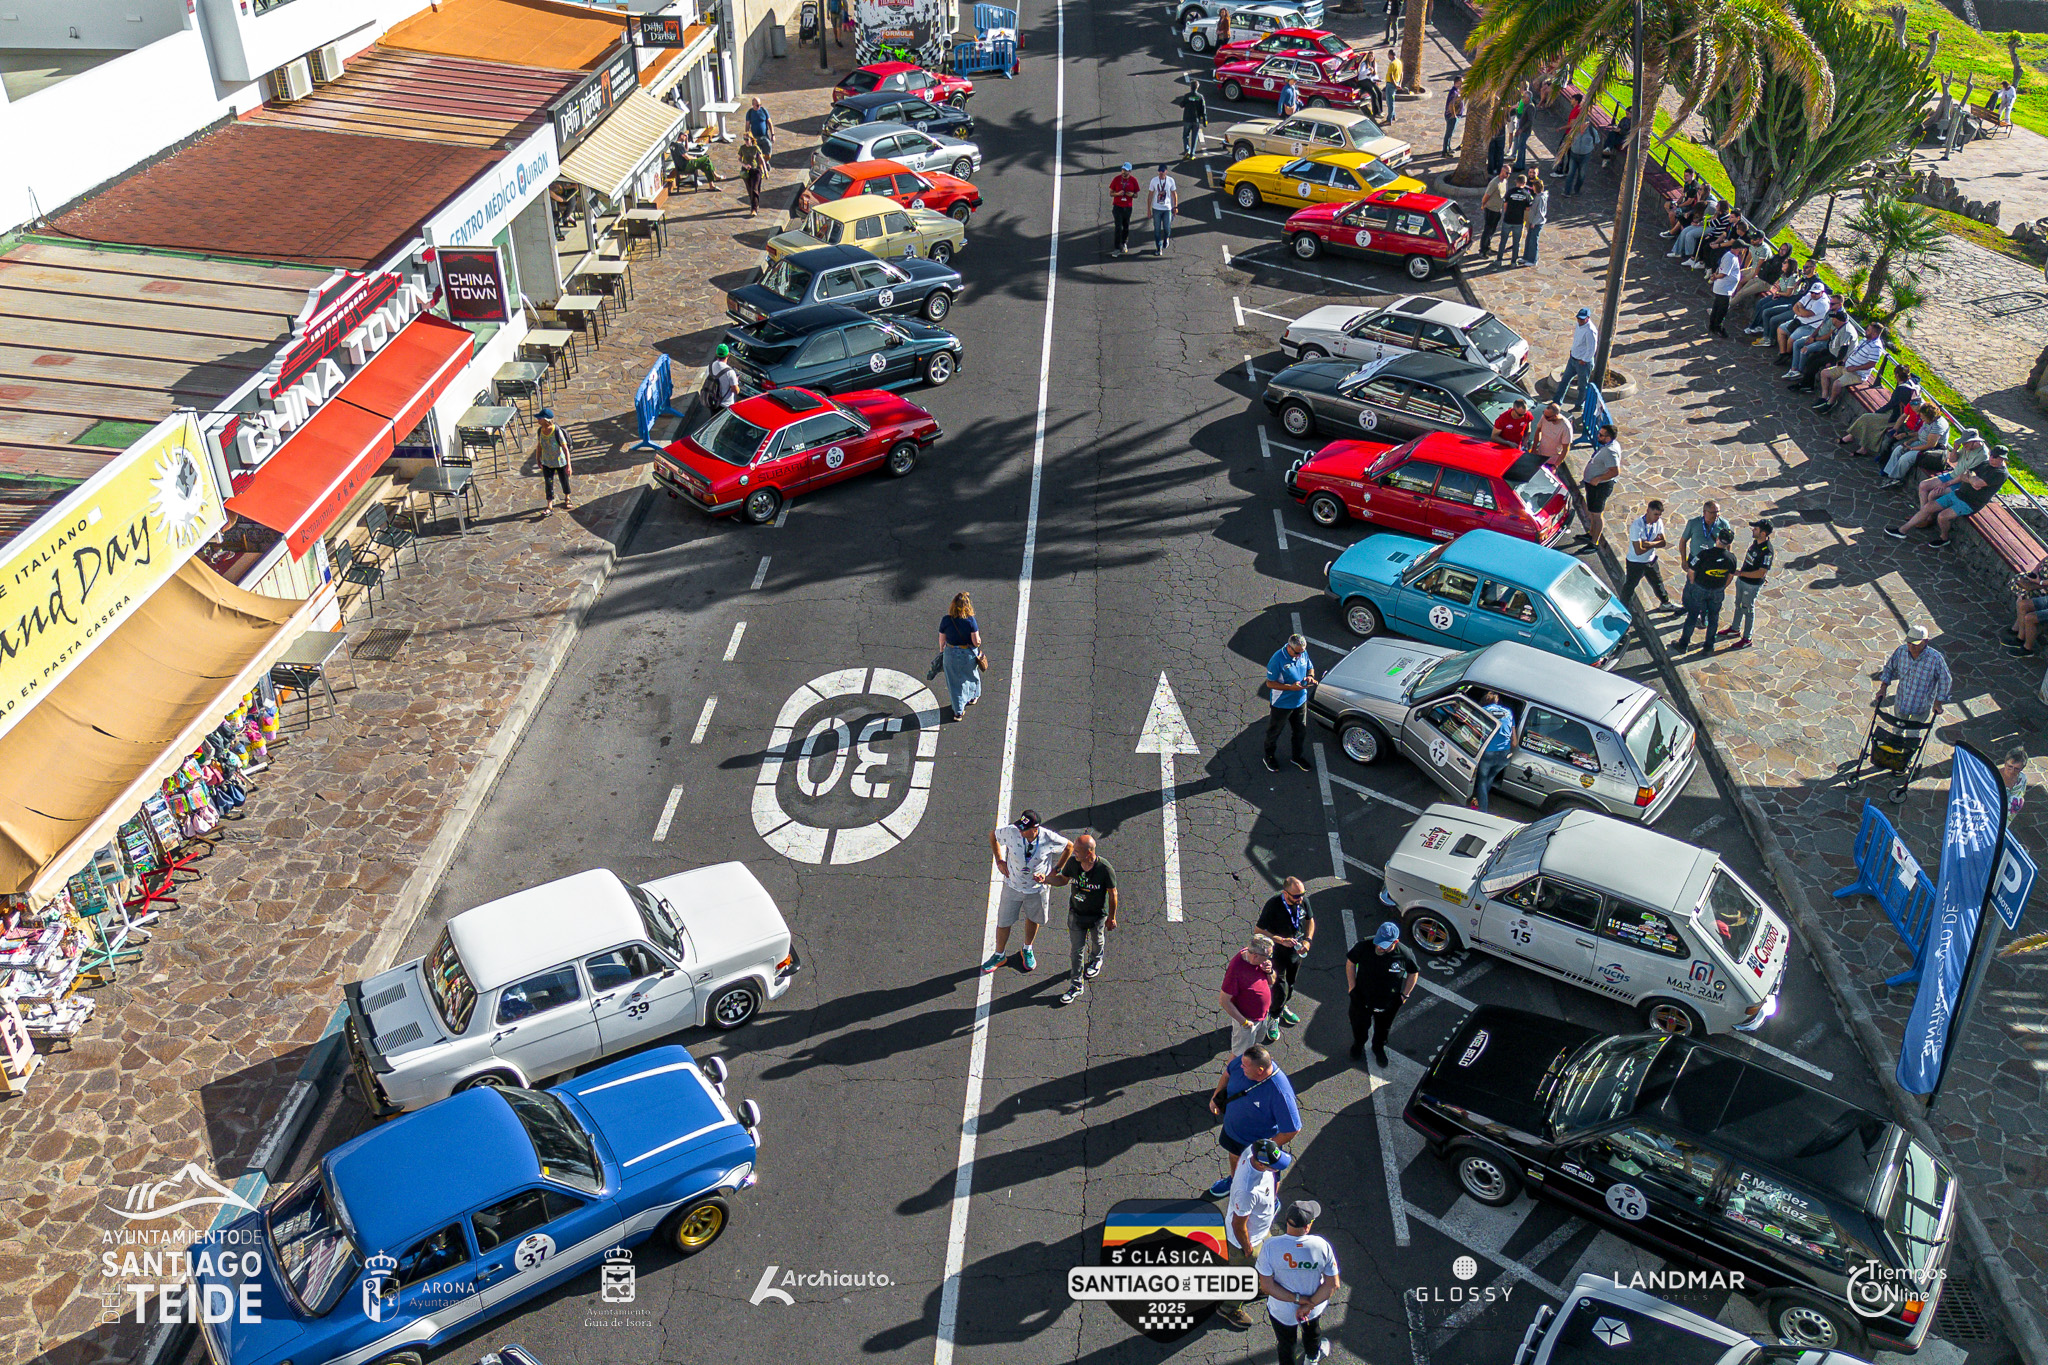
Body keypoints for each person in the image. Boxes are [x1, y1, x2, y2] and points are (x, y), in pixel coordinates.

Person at [982, 811, 1072, 974]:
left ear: (1035, 829)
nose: (1020, 831)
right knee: (1004, 921)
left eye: (1024, 829)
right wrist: (999, 860)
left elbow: (1069, 847)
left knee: (1033, 918)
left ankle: (1027, 948)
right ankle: (999, 955)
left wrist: (1056, 870)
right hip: (1012, 886)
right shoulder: (1012, 831)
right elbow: (993, 836)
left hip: (1037, 889)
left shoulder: (1048, 838)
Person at [1207, 1044, 1301, 1198]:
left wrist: (1264, 1150)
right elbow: (1227, 1074)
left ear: (1260, 1070)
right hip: (1233, 1132)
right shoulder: (1242, 1062)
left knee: (1268, 1174)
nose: (1240, 1066)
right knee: (1234, 1156)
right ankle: (1234, 1181)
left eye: (1245, 1066)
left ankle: (1271, 1200)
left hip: (1257, 1143)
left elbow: (1292, 1129)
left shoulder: (1280, 1093)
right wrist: (1215, 1097)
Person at [1216, 1138, 1291, 1330]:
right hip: (1246, 1241)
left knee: (1265, 1262)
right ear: (1261, 1164)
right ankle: (1229, 1308)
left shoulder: (1253, 1150)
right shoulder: (1247, 1190)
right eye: (1274, 1165)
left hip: (1261, 1232)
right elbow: (1238, 1224)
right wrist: (1247, 1248)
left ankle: (1259, 1286)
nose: (1277, 1169)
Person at [1259, 1201, 1340, 1365]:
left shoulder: (1270, 1246)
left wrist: (1297, 1299)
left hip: (1281, 1310)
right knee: (1312, 1333)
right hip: (1312, 1308)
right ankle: (1312, 1359)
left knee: (1286, 1343)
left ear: (1287, 1220)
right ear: (1307, 1226)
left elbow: (1267, 1286)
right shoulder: (1321, 1246)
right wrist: (1308, 1305)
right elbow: (1332, 1285)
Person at [1885, 446, 2009, 548]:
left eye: (1995, 457)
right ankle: (1902, 530)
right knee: (1928, 507)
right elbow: (1965, 474)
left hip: (1970, 503)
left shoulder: (2000, 474)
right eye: (1991, 455)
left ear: (2002, 459)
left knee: (1942, 516)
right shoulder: (1986, 463)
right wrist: (1969, 479)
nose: (1991, 458)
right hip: (1959, 493)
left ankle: (1944, 538)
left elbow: (1977, 483)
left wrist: (1970, 479)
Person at [1048, 834, 1117, 1004]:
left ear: (1089, 853)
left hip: (1097, 916)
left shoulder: (1104, 868)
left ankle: (1096, 959)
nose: (1074, 853)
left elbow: (1113, 893)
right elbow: (1063, 880)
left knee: (1097, 940)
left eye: (1077, 851)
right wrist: (1046, 880)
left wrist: (1112, 918)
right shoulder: (1073, 863)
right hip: (1076, 914)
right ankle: (1076, 985)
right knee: (1076, 951)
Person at [1346, 920, 1417, 1067]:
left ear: (1395, 942)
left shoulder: (1404, 954)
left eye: (1383, 945)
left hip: (1388, 1003)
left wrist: (1405, 995)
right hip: (1361, 999)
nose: (1379, 947)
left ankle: (1378, 1048)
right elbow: (1350, 962)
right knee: (1359, 1027)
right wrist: (1352, 987)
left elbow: (1413, 972)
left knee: (1383, 1030)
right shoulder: (1364, 947)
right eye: (1378, 942)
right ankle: (1358, 1045)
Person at [1255, 878, 1316, 1042]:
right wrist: (1281, 940)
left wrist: (1308, 941)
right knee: (1280, 989)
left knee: (1291, 984)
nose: (1300, 899)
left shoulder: (1303, 902)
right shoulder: (1273, 905)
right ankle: (1273, 1017)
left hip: (1295, 954)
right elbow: (1258, 931)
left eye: (1302, 894)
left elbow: (1310, 920)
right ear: (1285, 893)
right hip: (1277, 954)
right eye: (1296, 896)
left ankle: (1281, 1007)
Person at [1677, 525, 1738, 654]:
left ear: (1717, 539)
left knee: (1692, 616)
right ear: (1729, 543)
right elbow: (1730, 576)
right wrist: (1722, 587)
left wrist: (1693, 584)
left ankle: (1683, 645)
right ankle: (1709, 646)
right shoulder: (1731, 558)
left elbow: (1691, 571)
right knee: (1713, 619)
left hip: (1700, 589)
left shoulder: (1704, 554)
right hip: (1717, 591)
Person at [1261, 633, 1316, 772]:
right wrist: (1290, 687)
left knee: (1300, 731)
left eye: (1302, 652)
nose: (1300, 655)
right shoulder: (1277, 659)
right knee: (1274, 732)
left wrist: (1310, 676)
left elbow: (1310, 667)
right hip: (1282, 704)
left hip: (1300, 701)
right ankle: (1269, 756)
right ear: (1289, 647)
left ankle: (1297, 757)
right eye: (1297, 653)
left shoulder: (1302, 652)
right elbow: (1270, 683)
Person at [1872, 626, 1952, 720]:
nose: (1911, 646)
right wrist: (1883, 688)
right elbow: (1889, 668)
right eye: (1909, 643)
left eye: (1915, 644)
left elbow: (1945, 680)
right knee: (1898, 726)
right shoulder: (1901, 651)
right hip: (1901, 703)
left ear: (1925, 641)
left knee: (1914, 729)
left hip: (1921, 707)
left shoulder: (1935, 658)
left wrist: (1938, 702)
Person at [1220, 937, 1277, 1059]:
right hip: (1248, 1021)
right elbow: (1224, 1001)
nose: (1269, 959)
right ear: (1255, 956)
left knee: (1252, 1047)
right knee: (1239, 1055)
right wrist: (1244, 1022)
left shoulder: (1257, 959)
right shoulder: (1235, 971)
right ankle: (1233, 1072)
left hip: (1262, 1016)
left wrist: (1270, 971)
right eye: (1268, 956)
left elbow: (1272, 981)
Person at [1721, 519, 1772, 650]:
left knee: (1748, 609)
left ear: (1763, 533)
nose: (1753, 530)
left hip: (1751, 585)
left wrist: (1741, 573)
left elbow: (1761, 572)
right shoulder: (1756, 543)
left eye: (1756, 529)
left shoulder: (1767, 551)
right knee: (1738, 605)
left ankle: (1747, 638)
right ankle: (1735, 629)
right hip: (1743, 581)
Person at [1816, 321, 1885, 413]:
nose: (1866, 331)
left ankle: (1830, 403)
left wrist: (1855, 368)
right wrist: (1845, 360)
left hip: (1857, 374)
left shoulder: (1876, 347)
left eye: (1868, 330)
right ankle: (1824, 397)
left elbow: (1872, 364)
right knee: (1824, 373)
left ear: (1874, 334)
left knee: (1837, 383)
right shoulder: (1865, 339)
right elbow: (1855, 351)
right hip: (1847, 367)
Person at [1467, 690, 1517, 813]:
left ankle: (1482, 811)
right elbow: (1514, 742)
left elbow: (1475, 735)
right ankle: (1479, 800)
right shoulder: (1509, 712)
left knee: (1482, 782)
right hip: (1504, 755)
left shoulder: (1482, 711)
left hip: (1488, 753)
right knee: (1489, 779)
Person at [939, 591, 982, 721]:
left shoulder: (946, 620)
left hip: (950, 653)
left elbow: (942, 640)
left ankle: (958, 712)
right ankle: (973, 697)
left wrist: (942, 651)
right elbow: (976, 641)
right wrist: (979, 642)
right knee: (971, 675)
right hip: (967, 654)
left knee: (954, 684)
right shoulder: (970, 621)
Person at [1622, 499, 1673, 609]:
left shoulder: (1658, 522)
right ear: (1648, 511)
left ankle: (1665, 603)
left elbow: (1663, 542)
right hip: (1636, 563)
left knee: (1658, 583)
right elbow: (1638, 551)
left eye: (1659, 515)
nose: (1657, 517)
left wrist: (1648, 544)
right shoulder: (1637, 525)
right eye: (1655, 514)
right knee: (1630, 586)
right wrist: (1655, 542)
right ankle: (1622, 607)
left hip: (1651, 560)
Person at [1579, 422, 1620, 545]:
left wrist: (1598, 479)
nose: (1598, 436)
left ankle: (1594, 542)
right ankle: (1591, 534)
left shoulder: (1610, 451)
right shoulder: (1608, 446)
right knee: (1592, 512)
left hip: (1600, 487)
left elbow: (1615, 471)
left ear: (1608, 438)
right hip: (1593, 485)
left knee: (1597, 515)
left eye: (1601, 435)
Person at [1678, 498, 1734, 575]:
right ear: (1704, 512)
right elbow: (1683, 541)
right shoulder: (1693, 523)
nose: (1717, 515)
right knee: (1691, 580)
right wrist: (1684, 560)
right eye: (1713, 512)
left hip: (1713, 561)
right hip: (1695, 560)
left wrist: (1726, 559)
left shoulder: (1723, 524)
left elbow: (1728, 544)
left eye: (1718, 512)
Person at [1557, 307, 1597, 405]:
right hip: (1573, 358)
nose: (1580, 321)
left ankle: (1579, 405)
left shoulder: (1590, 331)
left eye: (1582, 319)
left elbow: (1592, 348)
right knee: (1564, 381)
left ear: (1588, 318)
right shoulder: (1579, 325)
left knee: (1582, 386)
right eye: (1578, 318)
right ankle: (1556, 402)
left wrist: (1584, 360)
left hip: (1582, 363)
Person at [534, 408, 571, 512]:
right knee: (548, 483)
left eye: (540, 418)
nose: (538, 420)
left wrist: (569, 465)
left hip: (560, 462)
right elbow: (539, 446)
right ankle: (549, 505)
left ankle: (567, 497)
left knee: (564, 481)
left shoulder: (557, 431)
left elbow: (565, 448)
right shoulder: (540, 431)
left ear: (546, 420)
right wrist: (538, 459)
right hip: (547, 462)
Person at [1707, 241, 1746, 337]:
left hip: (1724, 288)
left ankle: (1712, 326)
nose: (1744, 250)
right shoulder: (1730, 258)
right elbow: (1723, 274)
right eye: (1742, 248)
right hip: (1724, 289)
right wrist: (1715, 277)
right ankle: (1718, 328)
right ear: (1739, 248)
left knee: (1717, 307)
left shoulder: (1730, 255)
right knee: (1722, 310)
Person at [1496, 172, 1532, 265]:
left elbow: (1505, 205)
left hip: (1508, 219)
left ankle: (1499, 260)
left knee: (1503, 241)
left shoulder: (1510, 192)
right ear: (1525, 183)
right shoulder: (1526, 194)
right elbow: (1528, 208)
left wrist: (1507, 214)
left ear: (1516, 182)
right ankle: (1513, 262)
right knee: (1516, 243)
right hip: (1518, 221)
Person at [1109, 162, 1140, 256]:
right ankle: (1116, 248)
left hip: (1127, 207)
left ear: (1129, 171)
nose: (1123, 172)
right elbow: (1111, 193)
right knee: (1118, 227)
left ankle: (1124, 243)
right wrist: (1117, 194)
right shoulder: (1116, 179)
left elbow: (1136, 195)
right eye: (1122, 170)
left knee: (1125, 226)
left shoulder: (1133, 180)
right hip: (1117, 207)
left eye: (1125, 171)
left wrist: (1132, 195)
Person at [1149, 164, 1179, 254]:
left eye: (1162, 171)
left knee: (1167, 227)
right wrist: (1148, 209)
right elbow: (1150, 195)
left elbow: (1174, 194)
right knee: (1157, 229)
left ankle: (1166, 238)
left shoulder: (1170, 180)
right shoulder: (1154, 180)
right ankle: (1159, 248)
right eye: (1159, 171)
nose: (1161, 173)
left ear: (1166, 171)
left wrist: (1175, 207)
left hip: (1167, 208)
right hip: (1156, 208)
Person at [1531, 401, 1572, 468]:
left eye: (1547, 417)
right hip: (1540, 455)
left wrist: (1555, 465)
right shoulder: (1545, 416)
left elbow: (1565, 449)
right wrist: (1534, 448)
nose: (1545, 417)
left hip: (1552, 461)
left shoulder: (1565, 427)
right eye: (1544, 414)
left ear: (1555, 416)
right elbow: (1538, 431)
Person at [1478, 167, 1508, 257]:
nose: (1508, 175)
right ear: (1502, 171)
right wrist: (1483, 205)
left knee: (1492, 230)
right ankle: (1482, 250)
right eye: (1507, 173)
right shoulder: (1494, 183)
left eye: (1509, 173)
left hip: (1498, 210)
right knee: (1487, 230)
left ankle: (1488, 247)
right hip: (1490, 210)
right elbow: (1486, 196)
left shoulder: (1504, 181)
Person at [1563, 120, 1597, 195]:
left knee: (1581, 175)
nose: (1582, 125)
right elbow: (1569, 139)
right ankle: (1567, 192)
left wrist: (1589, 149)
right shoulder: (1575, 129)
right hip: (1573, 155)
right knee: (1570, 174)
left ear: (1588, 123)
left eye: (1585, 123)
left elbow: (1596, 141)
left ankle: (1577, 190)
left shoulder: (1592, 131)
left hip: (1585, 156)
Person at [704, 343, 739, 412]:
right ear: (728, 355)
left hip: (712, 401)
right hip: (725, 405)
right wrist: (736, 381)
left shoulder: (710, 366)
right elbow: (736, 391)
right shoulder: (730, 372)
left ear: (716, 354)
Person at [1180, 79, 1210, 157]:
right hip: (1196, 120)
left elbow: (1181, 105)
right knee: (1194, 137)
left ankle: (1187, 150)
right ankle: (1192, 154)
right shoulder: (1200, 97)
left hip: (1187, 119)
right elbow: (1203, 110)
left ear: (1190, 87)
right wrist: (1205, 120)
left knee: (1185, 135)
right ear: (1197, 87)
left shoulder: (1187, 96)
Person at [738, 134, 765, 216]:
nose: (745, 141)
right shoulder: (742, 148)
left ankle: (754, 209)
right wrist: (744, 165)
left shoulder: (755, 148)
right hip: (746, 171)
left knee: (754, 189)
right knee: (750, 189)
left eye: (747, 139)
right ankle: (755, 203)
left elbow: (761, 159)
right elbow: (739, 159)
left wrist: (765, 171)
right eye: (744, 139)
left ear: (751, 139)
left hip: (756, 170)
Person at [1442, 76, 1465, 158]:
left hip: (1455, 115)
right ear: (1457, 82)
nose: (1462, 83)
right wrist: (1454, 115)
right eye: (1461, 82)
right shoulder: (1454, 92)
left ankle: (1448, 148)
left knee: (1450, 133)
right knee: (1449, 133)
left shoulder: (1457, 90)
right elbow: (1451, 105)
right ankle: (1445, 151)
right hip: (1452, 116)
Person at [1383, 49, 1402, 124]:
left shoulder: (1392, 64)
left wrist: (1395, 85)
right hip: (1396, 82)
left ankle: (1389, 119)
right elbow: (1401, 73)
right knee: (1392, 100)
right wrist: (1399, 84)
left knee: (1389, 102)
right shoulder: (1399, 62)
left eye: (1388, 55)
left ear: (1391, 55)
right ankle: (1393, 115)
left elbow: (1391, 76)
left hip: (1391, 84)